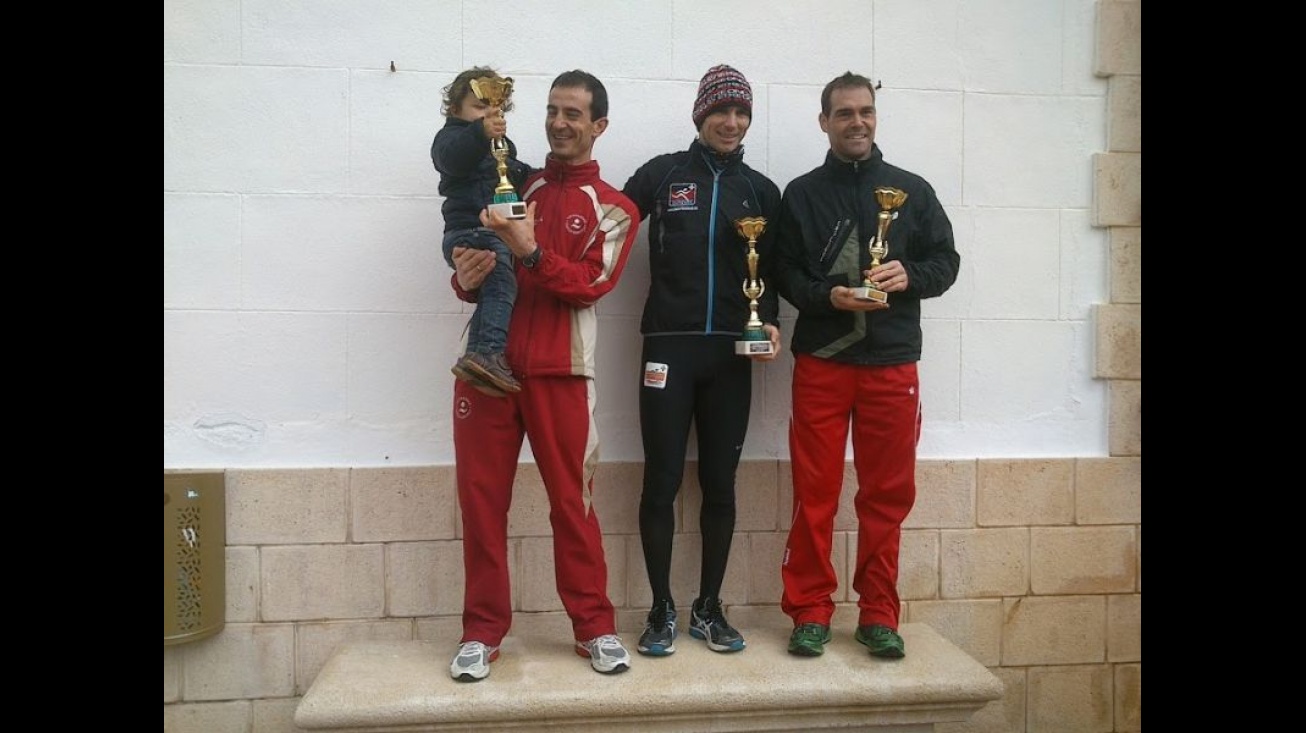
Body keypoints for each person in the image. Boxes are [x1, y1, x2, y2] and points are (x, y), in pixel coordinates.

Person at [445, 70, 641, 682]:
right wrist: (467, 275)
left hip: (563, 372)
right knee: (481, 507)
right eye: (553, 110)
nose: (559, 123)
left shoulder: (615, 208)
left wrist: (531, 251)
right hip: (488, 368)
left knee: (572, 505)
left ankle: (594, 628)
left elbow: (590, 286)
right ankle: (481, 632)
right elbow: (472, 277)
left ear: (598, 126)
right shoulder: (513, 179)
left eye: (574, 114)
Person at [773, 72, 960, 660]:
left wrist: (911, 276)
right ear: (824, 121)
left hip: (892, 365)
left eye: (866, 112)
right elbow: (784, 273)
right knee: (815, 491)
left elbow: (946, 262)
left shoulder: (912, 190)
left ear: (875, 117)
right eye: (844, 113)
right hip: (823, 364)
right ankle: (809, 609)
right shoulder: (800, 194)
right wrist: (828, 297)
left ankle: (879, 613)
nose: (858, 122)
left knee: (887, 494)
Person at [620, 64, 782, 657]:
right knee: (660, 481)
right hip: (668, 348)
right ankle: (660, 607)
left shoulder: (761, 190)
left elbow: (776, 273)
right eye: (721, 111)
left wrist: (774, 327)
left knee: (720, 484)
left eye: (741, 113)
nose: (732, 123)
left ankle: (708, 607)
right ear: (700, 114)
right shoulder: (663, 175)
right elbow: (608, 228)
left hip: (731, 356)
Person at [431, 66, 533, 395]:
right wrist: (480, 132)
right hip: (471, 231)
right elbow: (453, 159)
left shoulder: (501, 144)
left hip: (491, 230)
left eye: (496, 109)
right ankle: (489, 352)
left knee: (493, 289)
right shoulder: (452, 139)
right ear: (454, 108)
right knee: (503, 284)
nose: (489, 115)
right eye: (479, 107)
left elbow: (514, 172)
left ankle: (476, 356)